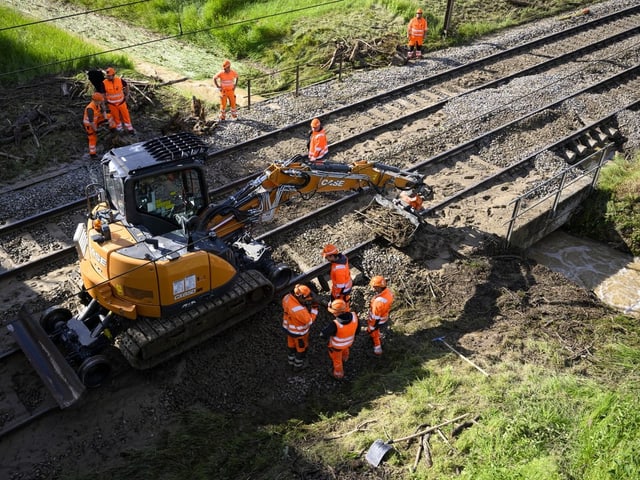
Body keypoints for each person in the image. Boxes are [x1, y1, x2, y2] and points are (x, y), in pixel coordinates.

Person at [281, 284, 319, 370]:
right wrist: (315, 308)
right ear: (300, 297)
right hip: (299, 333)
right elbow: (309, 321)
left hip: (288, 329)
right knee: (301, 349)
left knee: (291, 346)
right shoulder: (299, 310)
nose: (307, 300)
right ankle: (298, 366)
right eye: (306, 298)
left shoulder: (287, 297)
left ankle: (290, 362)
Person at [320, 299, 359, 380]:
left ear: (337, 312)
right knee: (345, 350)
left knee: (337, 360)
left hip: (337, 347)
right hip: (349, 342)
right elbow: (358, 330)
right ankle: (345, 358)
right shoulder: (354, 316)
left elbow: (323, 334)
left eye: (333, 312)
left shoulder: (335, 324)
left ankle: (338, 374)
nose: (333, 313)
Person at [365, 275, 394, 356]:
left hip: (378, 321)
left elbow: (375, 318)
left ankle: (378, 348)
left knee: (374, 334)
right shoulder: (388, 292)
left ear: (378, 287)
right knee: (377, 331)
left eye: (374, 287)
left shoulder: (378, 302)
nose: (372, 288)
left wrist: (372, 327)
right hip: (384, 316)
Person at [103, 67, 135, 134]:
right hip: (112, 104)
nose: (108, 77)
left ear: (113, 75)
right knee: (116, 117)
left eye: (109, 76)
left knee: (126, 115)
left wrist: (127, 95)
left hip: (121, 102)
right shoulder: (104, 83)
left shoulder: (119, 80)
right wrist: (104, 101)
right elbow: (102, 93)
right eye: (107, 76)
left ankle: (129, 128)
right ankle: (119, 128)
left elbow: (126, 86)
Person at [321, 244, 353, 308]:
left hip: (343, 290)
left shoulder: (338, 269)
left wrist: (336, 296)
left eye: (327, 257)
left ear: (332, 256)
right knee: (341, 300)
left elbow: (340, 286)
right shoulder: (342, 258)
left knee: (341, 303)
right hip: (346, 284)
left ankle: (343, 312)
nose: (327, 259)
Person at [83, 92, 109, 158]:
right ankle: (92, 154)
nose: (101, 102)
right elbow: (91, 122)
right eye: (100, 101)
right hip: (89, 125)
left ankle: (113, 129)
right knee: (92, 138)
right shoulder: (90, 109)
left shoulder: (98, 105)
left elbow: (103, 111)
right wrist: (96, 130)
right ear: (96, 101)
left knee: (110, 116)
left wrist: (106, 119)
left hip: (96, 120)